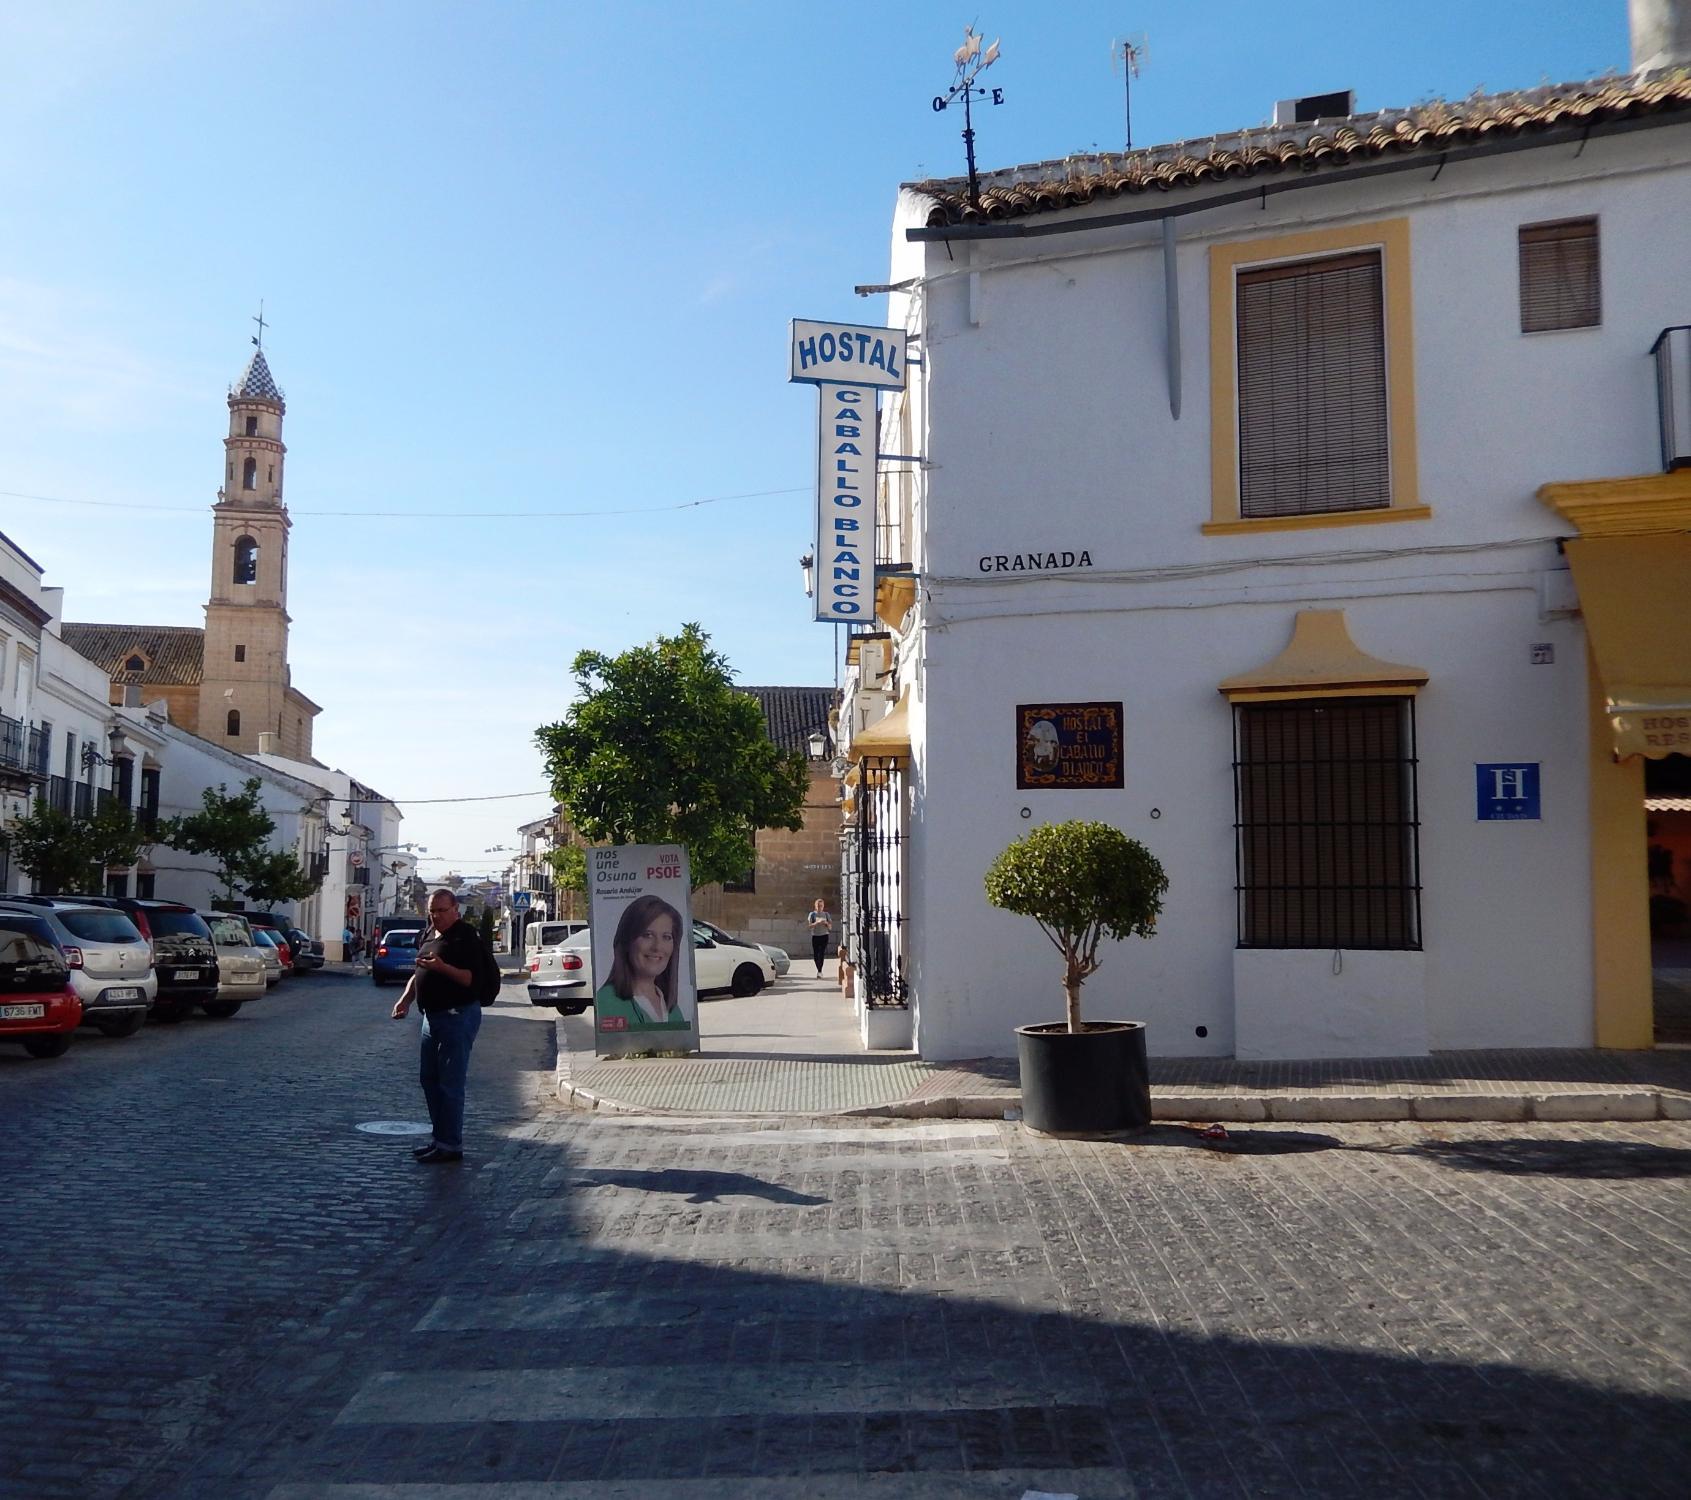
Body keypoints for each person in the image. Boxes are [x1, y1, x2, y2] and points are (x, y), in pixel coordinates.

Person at [391, 888, 485, 1163]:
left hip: (458, 1015)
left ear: (456, 909)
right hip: (430, 1017)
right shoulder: (429, 934)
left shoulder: (466, 938)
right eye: (432, 911)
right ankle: (440, 1138)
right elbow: (419, 970)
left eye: (442, 911)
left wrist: (443, 968)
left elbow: (471, 979)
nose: (436, 916)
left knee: (451, 1084)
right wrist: (406, 1000)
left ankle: (451, 1144)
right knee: (429, 1080)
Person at [594, 894, 689, 1030]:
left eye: (666, 937)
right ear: (627, 941)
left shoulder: (671, 1007)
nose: (657, 947)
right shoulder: (606, 1002)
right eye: (647, 935)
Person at [806, 897, 833, 977]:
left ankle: (819, 971)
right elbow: (809, 926)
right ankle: (818, 968)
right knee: (815, 955)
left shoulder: (826, 914)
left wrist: (826, 923)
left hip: (824, 936)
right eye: (818, 905)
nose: (820, 907)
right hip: (815, 936)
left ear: (823, 906)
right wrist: (817, 923)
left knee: (821, 953)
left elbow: (830, 927)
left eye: (821, 905)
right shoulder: (812, 914)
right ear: (815, 906)